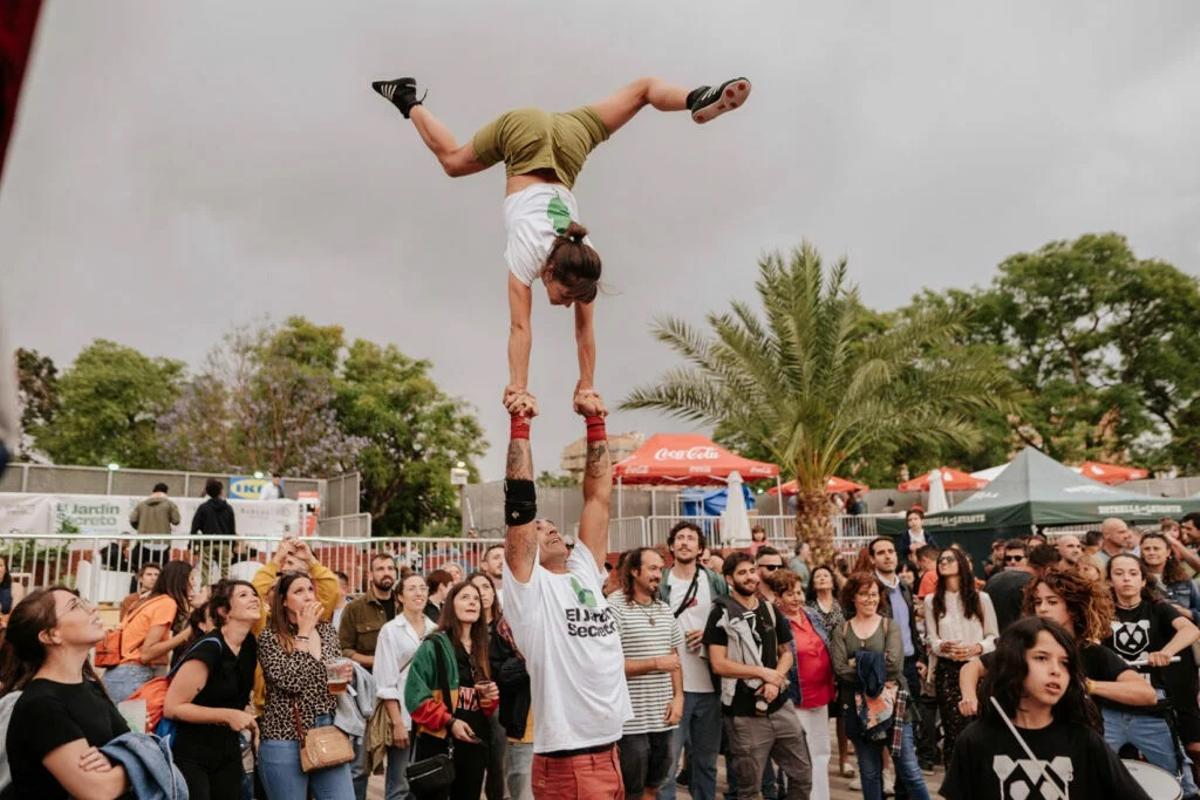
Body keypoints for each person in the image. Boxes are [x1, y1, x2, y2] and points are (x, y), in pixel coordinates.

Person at [371, 75, 750, 418]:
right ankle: (406, 98)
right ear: (547, 272)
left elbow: (581, 332)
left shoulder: (583, 258)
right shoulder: (531, 254)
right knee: (453, 162)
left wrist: (586, 386)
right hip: (525, 134)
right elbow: (521, 327)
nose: (569, 302)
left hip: (568, 135)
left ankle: (697, 97)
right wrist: (519, 388)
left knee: (644, 91)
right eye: (566, 296)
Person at [500, 398, 634, 798]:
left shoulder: (583, 572)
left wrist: (596, 424)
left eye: (552, 524)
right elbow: (520, 506)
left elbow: (597, 499)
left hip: (610, 748)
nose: (550, 527)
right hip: (569, 760)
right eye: (540, 529)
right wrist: (520, 425)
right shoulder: (528, 590)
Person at [941, 617, 1151, 800]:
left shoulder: (1084, 741)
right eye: (1041, 658)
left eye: (1065, 663)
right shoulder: (976, 740)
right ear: (1014, 663)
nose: (1055, 671)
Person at [0, 588, 132, 799]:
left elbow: (132, 743)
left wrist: (117, 758)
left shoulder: (91, 687)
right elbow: (99, 791)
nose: (92, 609)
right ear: (51, 635)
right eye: (74, 606)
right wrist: (135, 765)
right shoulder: (41, 704)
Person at [704, 552, 812, 800]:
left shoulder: (770, 610)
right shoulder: (720, 613)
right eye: (742, 573)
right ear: (729, 579)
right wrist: (761, 672)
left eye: (752, 570)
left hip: (780, 706)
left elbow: (787, 653)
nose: (750, 576)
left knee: (803, 776)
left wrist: (774, 679)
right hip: (744, 714)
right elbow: (719, 664)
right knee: (750, 789)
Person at [1102, 553, 1200, 793]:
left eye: (1133, 573)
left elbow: (1189, 630)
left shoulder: (1158, 608)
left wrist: (1166, 652)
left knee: (1177, 780)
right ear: (1109, 580)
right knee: (1098, 774)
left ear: (1143, 580)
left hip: (1152, 709)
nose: (1127, 579)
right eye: (1119, 573)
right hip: (1110, 708)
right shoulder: (1100, 612)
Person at [829, 572, 930, 800]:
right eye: (864, 594)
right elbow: (840, 670)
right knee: (869, 772)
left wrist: (858, 661)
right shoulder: (842, 630)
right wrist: (876, 662)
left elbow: (894, 666)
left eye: (874, 594)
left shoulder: (888, 626)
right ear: (852, 598)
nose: (870, 599)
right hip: (858, 713)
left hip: (895, 708)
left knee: (909, 770)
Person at [257, 571, 355, 800]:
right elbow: (290, 682)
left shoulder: (327, 631)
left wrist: (345, 674)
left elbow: (329, 677)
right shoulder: (270, 637)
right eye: (298, 591)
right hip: (285, 736)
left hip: (327, 728)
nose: (308, 596)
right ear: (283, 600)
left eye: (310, 589)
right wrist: (303, 633)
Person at [164, 579, 260, 800]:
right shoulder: (209, 648)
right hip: (191, 753)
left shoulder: (249, 646)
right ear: (224, 611)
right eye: (244, 595)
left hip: (227, 749)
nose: (254, 598)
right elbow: (173, 707)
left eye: (254, 594)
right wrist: (226, 715)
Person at [405, 580, 499, 800]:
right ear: (450, 605)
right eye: (465, 597)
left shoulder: (482, 648)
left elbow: (482, 708)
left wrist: (490, 698)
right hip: (439, 744)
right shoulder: (433, 645)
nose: (472, 603)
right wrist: (450, 722)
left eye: (476, 599)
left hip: (473, 744)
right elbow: (415, 699)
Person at [607, 548, 683, 800]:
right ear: (634, 570)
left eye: (660, 569)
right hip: (630, 722)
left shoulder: (664, 609)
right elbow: (609, 665)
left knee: (654, 786)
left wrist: (678, 697)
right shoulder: (613, 608)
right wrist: (654, 663)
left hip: (662, 717)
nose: (657, 575)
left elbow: (674, 660)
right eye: (652, 569)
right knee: (631, 790)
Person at [658, 521, 726, 800]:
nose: (685, 542)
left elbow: (728, 624)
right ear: (672, 546)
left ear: (700, 548)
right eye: (680, 538)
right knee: (667, 766)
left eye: (691, 538)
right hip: (671, 688)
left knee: (706, 765)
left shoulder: (714, 581)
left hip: (709, 686)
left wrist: (708, 635)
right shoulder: (661, 581)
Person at [922, 548, 998, 768]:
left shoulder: (981, 598)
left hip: (979, 668)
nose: (944, 562)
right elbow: (932, 640)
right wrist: (942, 646)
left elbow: (994, 636)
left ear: (962, 564)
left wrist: (977, 647)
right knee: (953, 728)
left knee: (981, 725)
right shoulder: (931, 601)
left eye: (950, 559)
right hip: (948, 669)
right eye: (941, 560)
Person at [769, 569, 835, 800]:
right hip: (795, 697)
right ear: (778, 597)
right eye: (789, 594)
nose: (797, 598)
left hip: (821, 693)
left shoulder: (811, 614)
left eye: (798, 592)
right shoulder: (774, 621)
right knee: (796, 757)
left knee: (821, 751)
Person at [338, 552, 399, 800]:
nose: (386, 573)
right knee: (359, 766)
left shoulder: (404, 605)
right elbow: (343, 650)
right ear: (370, 575)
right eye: (380, 568)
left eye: (390, 568)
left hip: (402, 691)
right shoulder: (355, 608)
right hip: (367, 693)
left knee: (401, 762)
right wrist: (379, 661)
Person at [375, 572, 438, 800]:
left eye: (422, 588)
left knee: (425, 780)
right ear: (400, 596)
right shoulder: (390, 630)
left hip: (430, 714)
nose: (419, 592)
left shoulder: (436, 629)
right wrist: (398, 723)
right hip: (402, 714)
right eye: (411, 588)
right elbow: (385, 680)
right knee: (399, 782)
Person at [101, 558, 193, 702]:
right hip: (133, 674)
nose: (193, 584)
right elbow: (147, 653)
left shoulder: (147, 600)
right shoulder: (167, 603)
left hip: (119, 672)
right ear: (181, 580)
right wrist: (185, 635)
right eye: (191, 578)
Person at [805, 565, 856, 782]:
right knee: (819, 715)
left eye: (826, 575)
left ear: (833, 581)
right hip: (817, 665)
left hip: (841, 664)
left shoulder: (843, 606)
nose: (823, 579)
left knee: (843, 715)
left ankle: (844, 759)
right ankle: (817, 760)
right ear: (813, 583)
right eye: (818, 576)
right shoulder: (807, 608)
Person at [470, 571, 508, 800]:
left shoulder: (506, 625)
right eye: (476, 589)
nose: (482, 593)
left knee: (497, 765)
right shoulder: (465, 627)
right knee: (472, 765)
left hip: (500, 701)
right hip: (469, 700)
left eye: (486, 587)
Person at [982, 539, 1034, 633]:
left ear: (1028, 559)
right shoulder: (994, 579)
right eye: (1008, 558)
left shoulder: (1032, 580)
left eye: (1017, 558)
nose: (1012, 562)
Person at [128, 482, 179, 570]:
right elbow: (176, 520)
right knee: (160, 571)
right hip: (163, 544)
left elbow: (133, 519)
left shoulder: (141, 505)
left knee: (143, 570)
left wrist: (140, 528)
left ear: (153, 491)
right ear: (166, 492)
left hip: (144, 542)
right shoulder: (170, 504)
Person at [0, 554, 26, 627]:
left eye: (0, 565)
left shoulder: (16, 587)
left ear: (6, 569)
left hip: (8, 626)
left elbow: (15, 613)